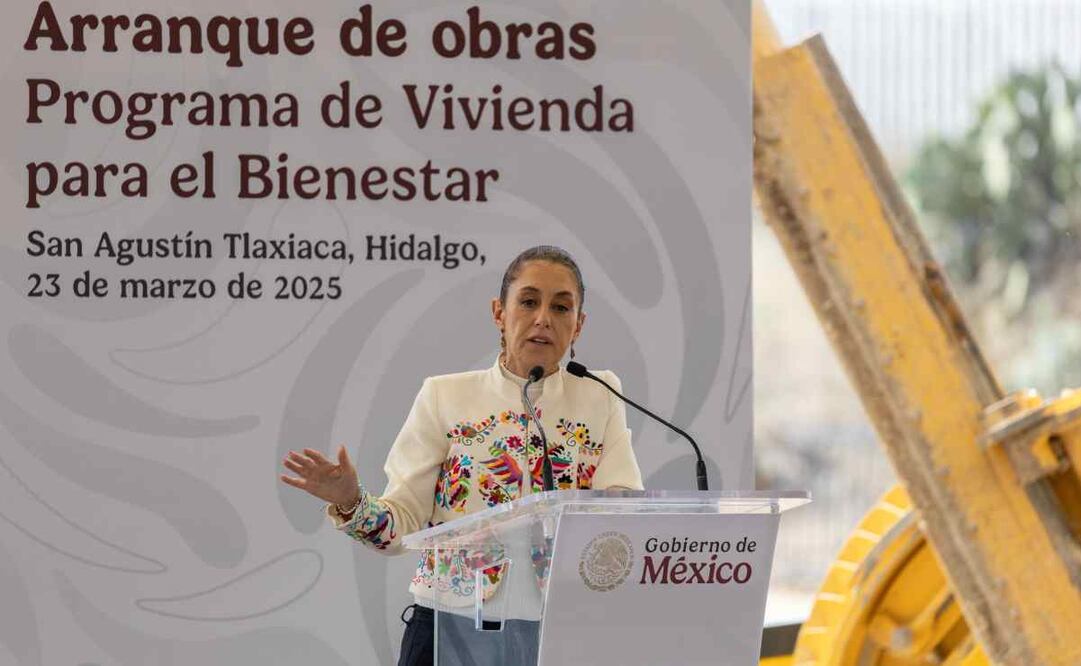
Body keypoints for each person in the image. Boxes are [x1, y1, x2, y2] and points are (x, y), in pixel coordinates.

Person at [280, 245, 644, 665]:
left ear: (578, 325)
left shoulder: (601, 395)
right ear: (498, 313)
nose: (544, 317)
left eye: (561, 308)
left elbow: (621, 514)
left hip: (562, 633)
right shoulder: (445, 395)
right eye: (528, 302)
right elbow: (401, 527)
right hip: (450, 629)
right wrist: (349, 501)